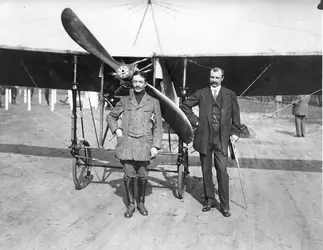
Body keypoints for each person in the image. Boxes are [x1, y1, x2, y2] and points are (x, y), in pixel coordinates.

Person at [181, 67, 241, 217]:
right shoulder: (202, 93)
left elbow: (236, 117)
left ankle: (225, 205)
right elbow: (185, 106)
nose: (214, 80)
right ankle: (210, 200)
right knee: (206, 171)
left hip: (221, 139)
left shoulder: (230, 94)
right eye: (212, 77)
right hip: (204, 137)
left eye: (217, 78)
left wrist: (234, 133)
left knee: (222, 171)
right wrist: (196, 122)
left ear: (222, 78)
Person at [107, 71, 163, 218]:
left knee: (143, 175)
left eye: (140, 82)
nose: (137, 84)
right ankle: (131, 204)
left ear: (145, 84)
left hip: (145, 144)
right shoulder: (125, 101)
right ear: (132, 83)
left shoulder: (153, 102)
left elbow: (158, 126)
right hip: (127, 144)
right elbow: (111, 116)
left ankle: (141, 203)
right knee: (129, 175)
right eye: (135, 81)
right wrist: (117, 130)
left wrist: (155, 146)